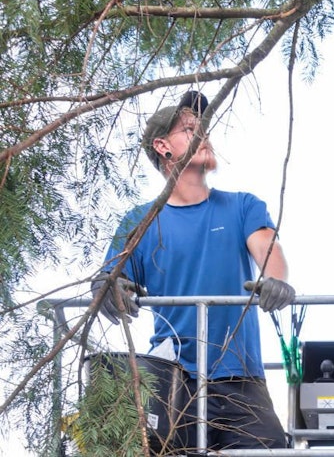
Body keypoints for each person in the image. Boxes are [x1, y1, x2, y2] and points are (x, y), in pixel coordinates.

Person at [91, 91, 295, 451]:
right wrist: (108, 286)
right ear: (162, 146)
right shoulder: (141, 221)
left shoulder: (241, 206)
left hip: (239, 376)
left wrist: (274, 280)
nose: (204, 135)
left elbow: (268, 252)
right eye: (189, 129)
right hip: (172, 378)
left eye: (205, 128)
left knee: (271, 448)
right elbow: (112, 277)